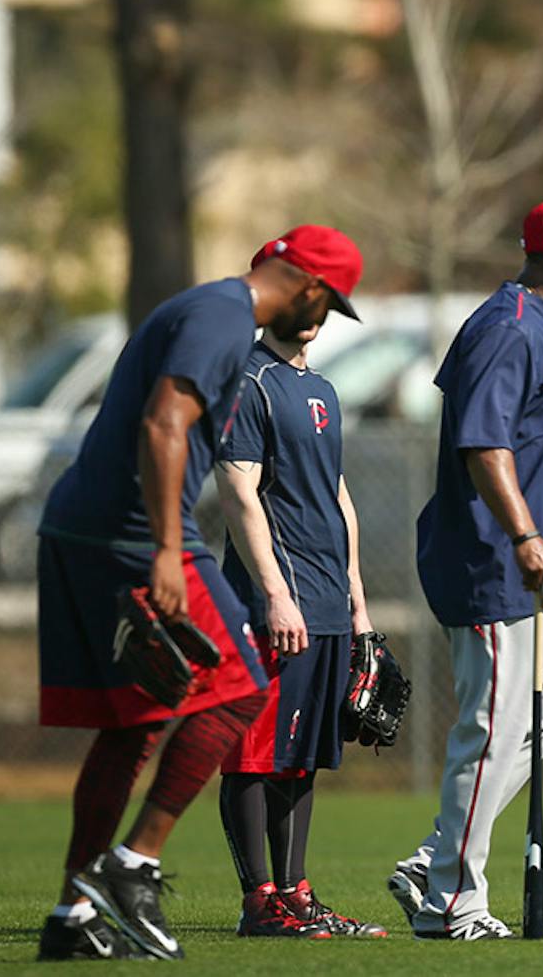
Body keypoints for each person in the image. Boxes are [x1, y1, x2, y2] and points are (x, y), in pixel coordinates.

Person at [34, 224, 364, 961]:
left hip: (81, 524)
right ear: (308, 286)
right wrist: (163, 551)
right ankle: (133, 863)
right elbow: (164, 422)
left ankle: (73, 911)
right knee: (243, 687)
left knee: (132, 726)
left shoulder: (208, 309)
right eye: (328, 303)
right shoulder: (225, 318)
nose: (321, 319)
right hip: (129, 529)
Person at [386, 194, 543, 940]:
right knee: (490, 729)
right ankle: (453, 899)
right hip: (495, 561)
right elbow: (484, 445)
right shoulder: (509, 330)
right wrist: (523, 536)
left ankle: (435, 856)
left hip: (532, 570)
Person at [213, 284, 387, 940]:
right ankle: (260, 899)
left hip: (327, 601)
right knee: (254, 753)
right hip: (273, 603)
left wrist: (359, 602)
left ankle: (295, 892)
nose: (313, 309)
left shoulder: (324, 388)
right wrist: (274, 592)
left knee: (301, 753)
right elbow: (237, 492)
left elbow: (337, 498)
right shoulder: (249, 382)